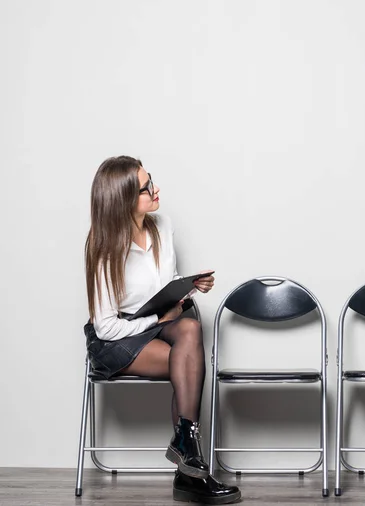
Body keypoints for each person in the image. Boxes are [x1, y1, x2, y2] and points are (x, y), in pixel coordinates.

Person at [84, 155, 241, 504]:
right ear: (124, 199)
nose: (156, 189)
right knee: (187, 361)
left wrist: (188, 287)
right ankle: (190, 471)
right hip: (118, 339)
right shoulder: (103, 246)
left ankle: (187, 449)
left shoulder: (162, 226)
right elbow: (107, 326)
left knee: (189, 335)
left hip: (160, 322)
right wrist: (157, 320)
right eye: (146, 187)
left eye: (151, 179)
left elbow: (161, 285)